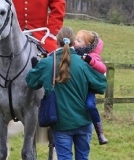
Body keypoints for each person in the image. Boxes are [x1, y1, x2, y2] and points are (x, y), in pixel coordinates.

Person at [0, 0, 66, 119]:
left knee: (56, 62)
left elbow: (58, 5)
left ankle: (63, 104)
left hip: (41, 34)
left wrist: (52, 31)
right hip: (14, 32)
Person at [25, 26, 107, 160]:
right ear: (74, 43)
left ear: (56, 42)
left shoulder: (47, 63)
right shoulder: (84, 63)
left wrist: (37, 68)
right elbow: (101, 85)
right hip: (84, 121)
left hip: (61, 123)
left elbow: (31, 82)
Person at [74, 30, 108, 145]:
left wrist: (90, 60)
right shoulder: (74, 52)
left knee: (90, 105)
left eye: (79, 40)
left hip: (88, 89)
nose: (75, 42)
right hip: (76, 87)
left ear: (87, 45)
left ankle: (100, 133)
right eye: (76, 39)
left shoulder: (93, 56)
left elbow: (102, 68)